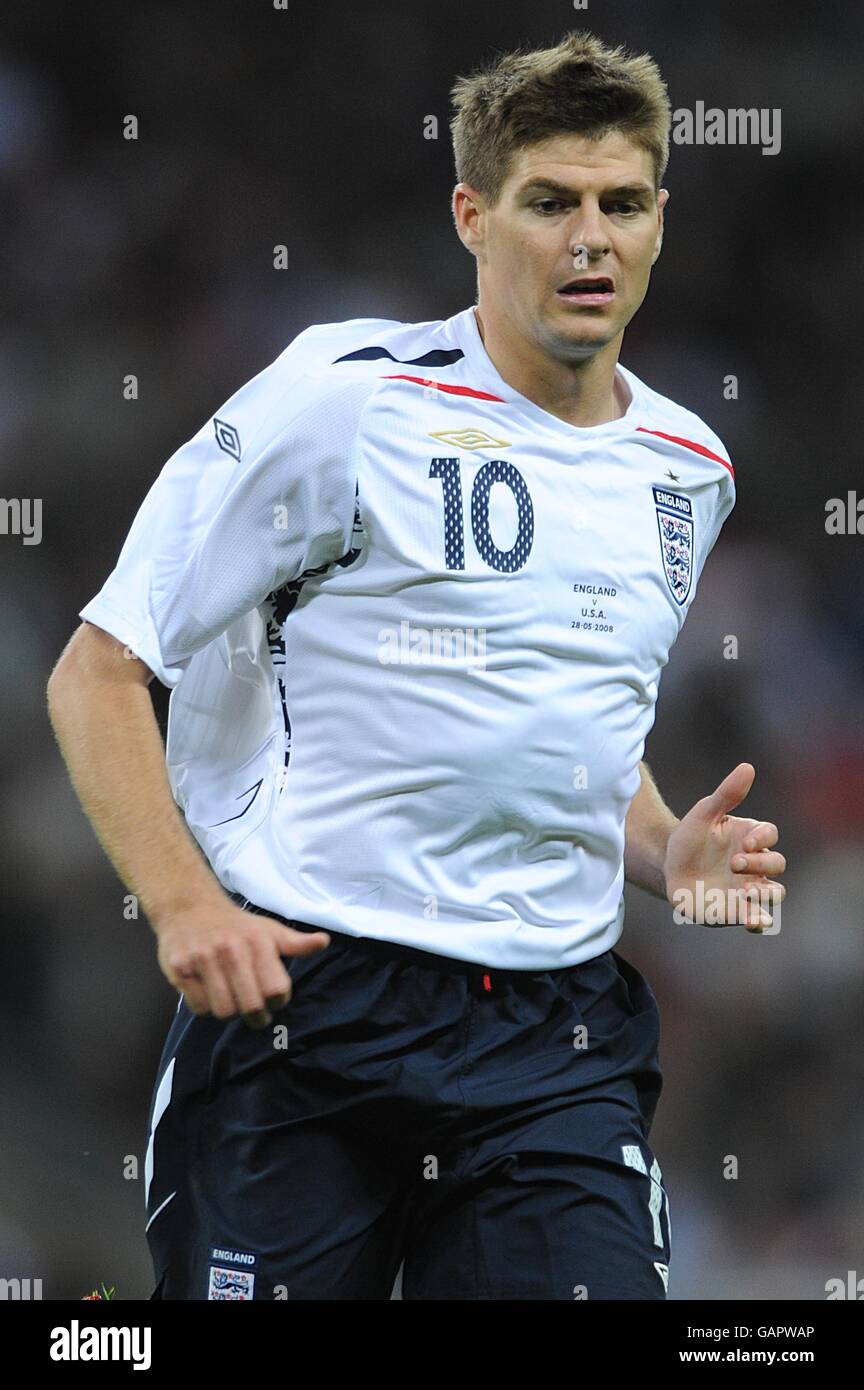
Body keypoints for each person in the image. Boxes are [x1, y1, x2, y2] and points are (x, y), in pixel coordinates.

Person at [46, 30, 786, 1300]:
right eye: (548, 203)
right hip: (309, 1008)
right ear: (472, 215)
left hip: (550, 1035)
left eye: (620, 204)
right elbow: (98, 669)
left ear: (662, 218)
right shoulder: (343, 398)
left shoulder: (689, 467)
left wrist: (663, 849)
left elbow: (559, 728)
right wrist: (183, 906)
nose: (589, 238)